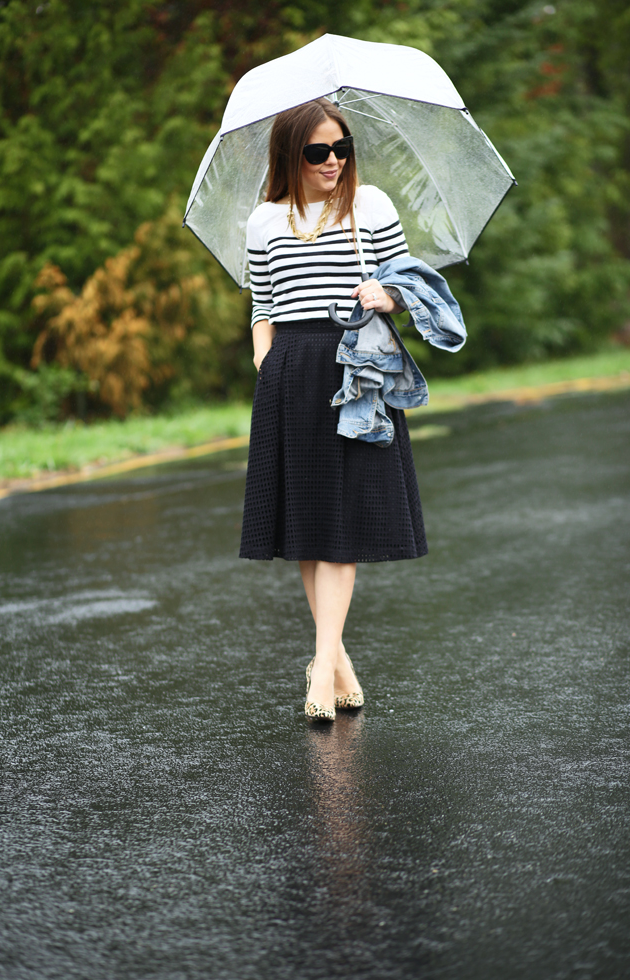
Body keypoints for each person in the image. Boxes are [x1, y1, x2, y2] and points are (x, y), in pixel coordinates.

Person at [240, 98, 428, 721]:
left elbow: (409, 281)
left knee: (341, 525)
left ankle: (321, 673)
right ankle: (336, 660)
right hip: (291, 368)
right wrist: (268, 363)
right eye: (318, 151)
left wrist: (389, 295)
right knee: (307, 526)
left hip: (354, 367)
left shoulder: (371, 205)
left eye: (342, 148)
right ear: (291, 155)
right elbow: (261, 306)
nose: (333, 161)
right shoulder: (264, 220)